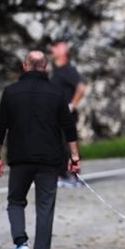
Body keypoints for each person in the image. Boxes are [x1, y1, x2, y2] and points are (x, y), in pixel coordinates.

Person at [0, 50, 81, 249]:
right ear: (45, 67)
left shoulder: (10, 92)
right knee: (45, 207)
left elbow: (0, 125)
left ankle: (20, 242)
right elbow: (68, 127)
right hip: (49, 159)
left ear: (24, 66)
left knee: (16, 201)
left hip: (20, 158)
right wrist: (74, 157)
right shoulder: (56, 92)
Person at [49, 39, 86, 188]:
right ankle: (61, 174)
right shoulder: (56, 71)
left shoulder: (68, 70)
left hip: (66, 115)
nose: (52, 49)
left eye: (56, 46)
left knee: (69, 144)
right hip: (55, 115)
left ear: (64, 50)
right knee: (56, 144)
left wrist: (72, 105)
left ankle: (73, 175)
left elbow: (81, 87)